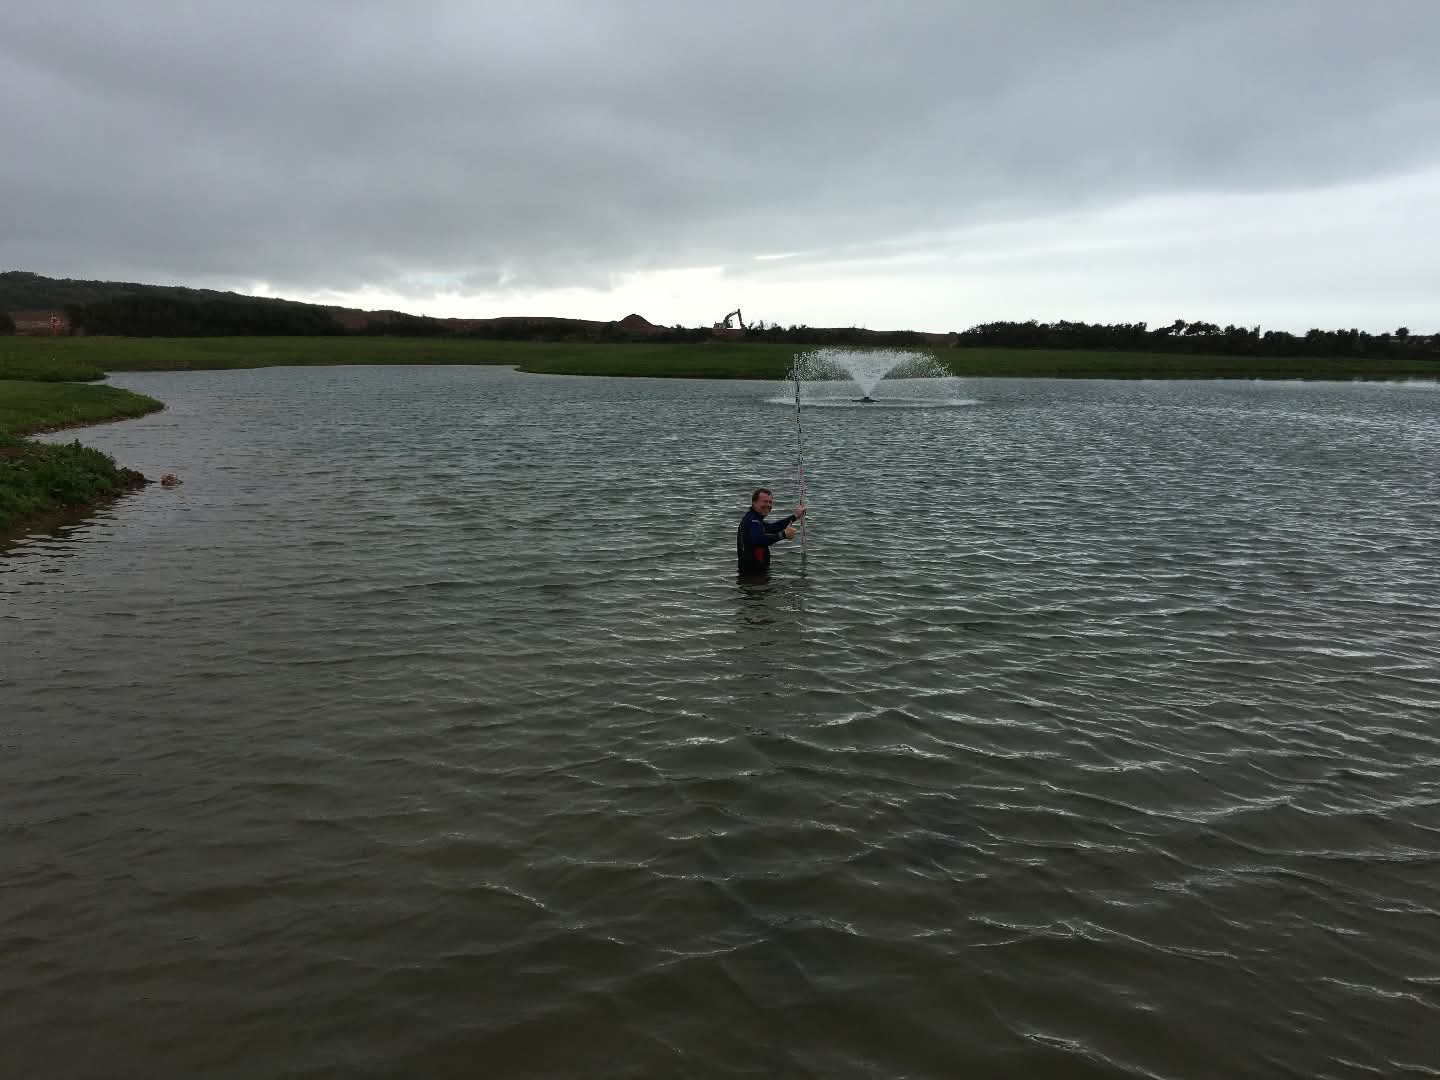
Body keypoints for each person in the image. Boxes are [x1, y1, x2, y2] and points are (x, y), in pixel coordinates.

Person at [736, 487, 807, 575]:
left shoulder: (755, 519)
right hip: (754, 576)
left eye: (770, 502)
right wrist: (783, 535)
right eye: (765, 501)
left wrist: (795, 516)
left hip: (755, 573)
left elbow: (773, 527)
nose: (768, 505)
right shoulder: (752, 520)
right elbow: (758, 540)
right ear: (754, 502)